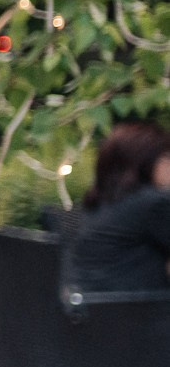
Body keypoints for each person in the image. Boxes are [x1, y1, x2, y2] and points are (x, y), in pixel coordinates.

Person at [72, 119, 170, 293]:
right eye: (166, 157)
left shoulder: (100, 200)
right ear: (145, 160)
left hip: (93, 304)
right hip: (137, 305)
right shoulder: (152, 202)